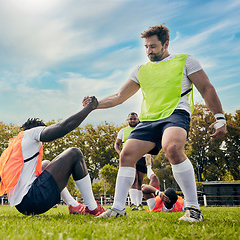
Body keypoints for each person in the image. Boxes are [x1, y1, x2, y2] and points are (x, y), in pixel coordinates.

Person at [84, 24, 226, 222]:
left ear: (165, 44)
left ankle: (193, 209)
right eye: (146, 47)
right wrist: (95, 104)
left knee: (173, 148)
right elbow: (118, 96)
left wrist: (219, 117)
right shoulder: (140, 70)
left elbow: (206, 88)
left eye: (153, 46)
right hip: (150, 119)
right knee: (126, 154)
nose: (149, 51)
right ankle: (118, 208)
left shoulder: (186, 61)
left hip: (176, 113)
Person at [0, 96, 106, 216]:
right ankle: (93, 208)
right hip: (34, 198)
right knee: (74, 153)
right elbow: (63, 127)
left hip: (22, 207)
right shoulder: (31, 133)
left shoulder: (10, 153)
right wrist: (89, 108)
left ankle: (74, 205)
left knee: (46, 164)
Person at [115, 112, 150, 211]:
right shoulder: (123, 131)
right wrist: (120, 153)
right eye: (131, 119)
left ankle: (139, 204)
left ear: (138, 119)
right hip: (130, 157)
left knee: (139, 181)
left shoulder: (142, 129)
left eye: (134, 119)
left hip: (142, 157)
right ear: (128, 120)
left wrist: (150, 155)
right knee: (133, 180)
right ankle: (134, 204)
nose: (133, 120)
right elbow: (117, 144)